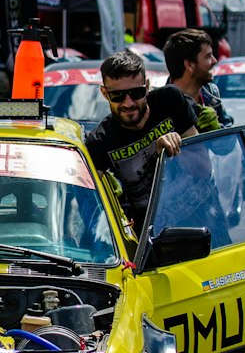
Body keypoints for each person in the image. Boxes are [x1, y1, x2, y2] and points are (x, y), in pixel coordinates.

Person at [84, 48, 198, 227]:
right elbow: (92, 207)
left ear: (147, 86)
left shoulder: (170, 100)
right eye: (117, 96)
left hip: (203, 217)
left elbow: (204, 168)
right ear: (105, 93)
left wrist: (171, 152)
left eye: (136, 93)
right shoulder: (100, 141)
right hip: (154, 238)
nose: (128, 103)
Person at [163, 28, 233, 132]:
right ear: (189, 65)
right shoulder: (162, 104)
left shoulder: (211, 93)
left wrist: (218, 129)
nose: (214, 61)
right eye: (208, 56)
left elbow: (230, 142)